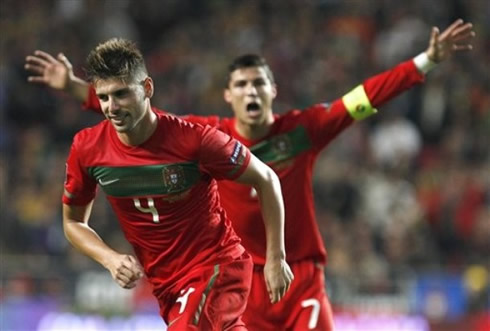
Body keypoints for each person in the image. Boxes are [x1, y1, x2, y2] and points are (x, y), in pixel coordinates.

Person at [25, 19, 475, 330]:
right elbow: (135, 116)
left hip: (296, 274)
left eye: (259, 82)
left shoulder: (303, 130)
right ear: (229, 95)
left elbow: (362, 98)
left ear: (272, 90)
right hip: (243, 282)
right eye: (241, 84)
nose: (251, 90)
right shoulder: (209, 135)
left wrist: (424, 62)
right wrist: (73, 87)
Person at [51, 38, 294, 330]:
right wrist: (110, 259)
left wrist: (275, 258)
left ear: (147, 89)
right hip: (167, 287)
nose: (112, 107)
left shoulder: (194, 141)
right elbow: (73, 223)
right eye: (103, 98)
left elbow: (266, 178)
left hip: (217, 267)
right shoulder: (87, 148)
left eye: (121, 94)